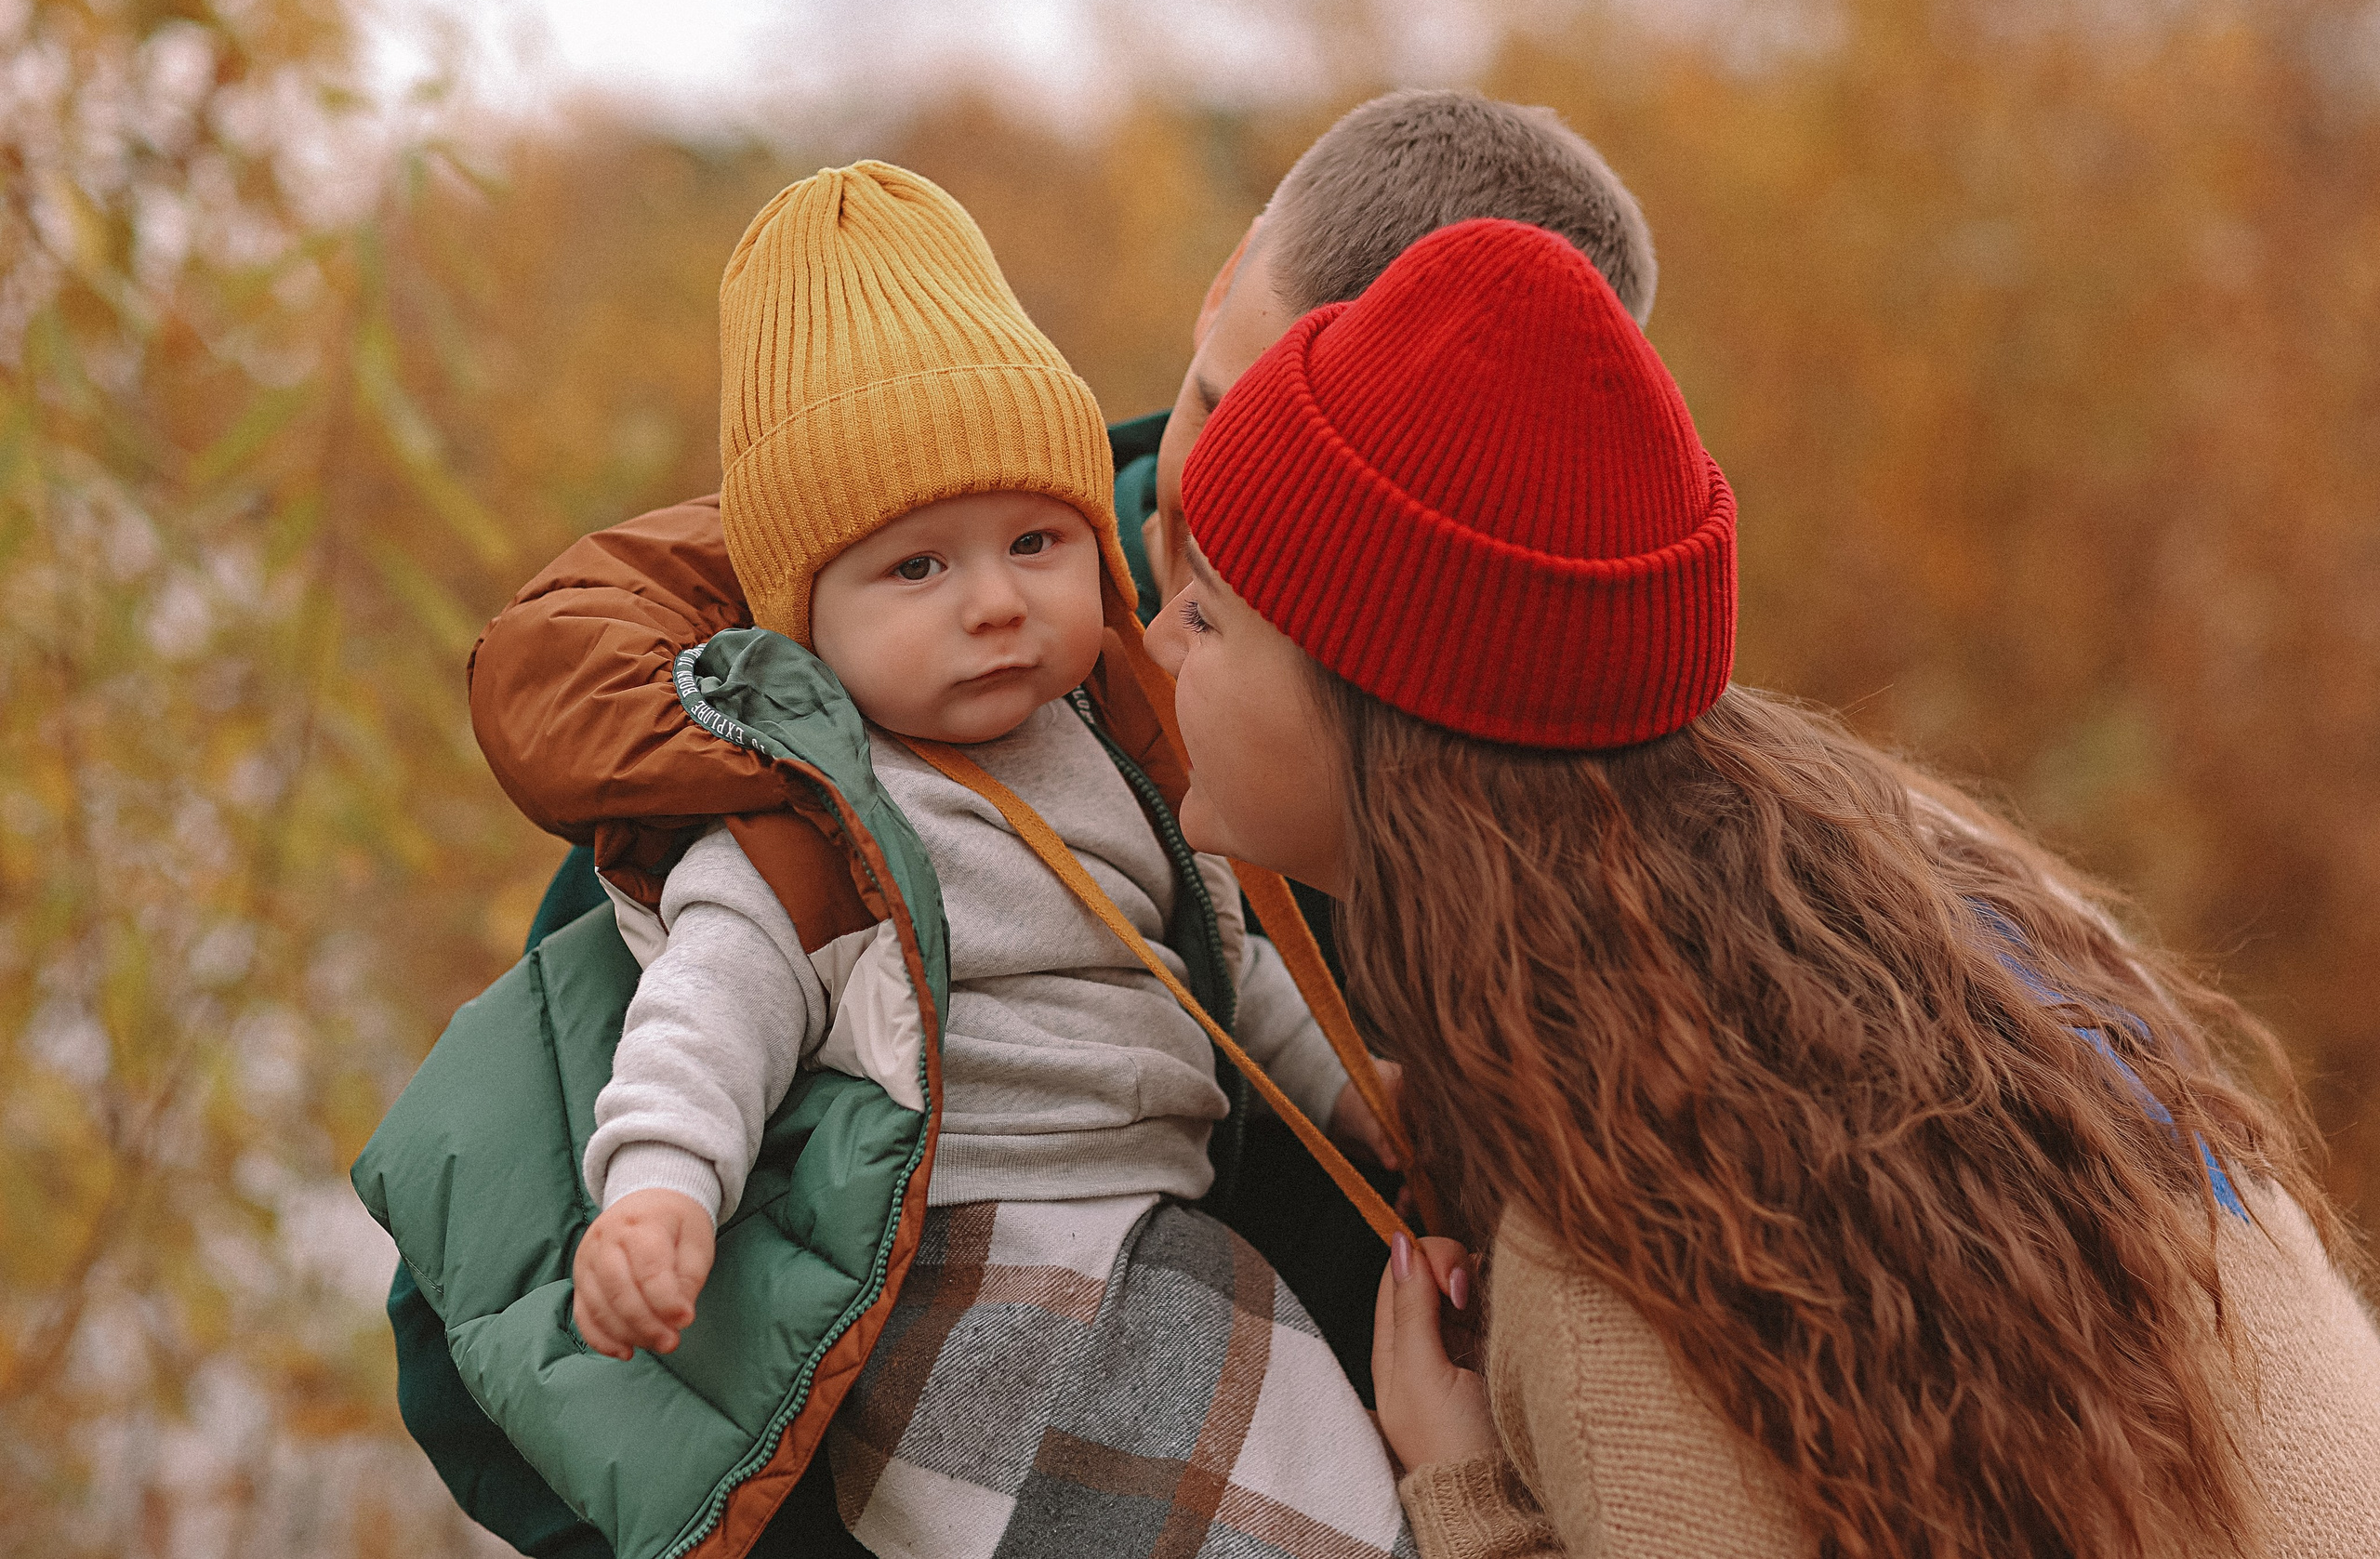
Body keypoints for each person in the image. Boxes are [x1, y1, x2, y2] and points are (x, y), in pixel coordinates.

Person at [389, 87, 1665, 1558]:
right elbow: (498, 1322)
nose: (1231, 514)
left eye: (1333, 496)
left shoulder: (1539, 807)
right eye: (1235, 413)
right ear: (1229, 269)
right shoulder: (823, 725)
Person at [1147, 213, 2380, 1558]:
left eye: (1206, 613)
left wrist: (1470, 1494)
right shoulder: (1907, 868)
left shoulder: (1617, 1249)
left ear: (1371, 708)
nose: (1153, 640)